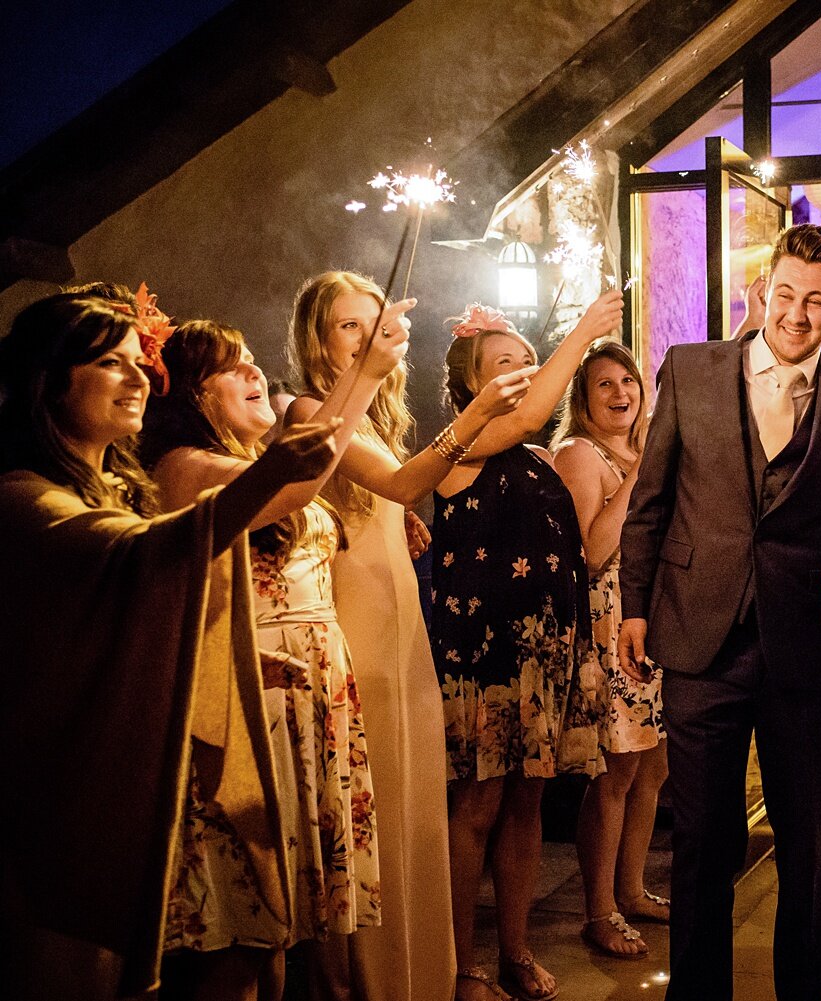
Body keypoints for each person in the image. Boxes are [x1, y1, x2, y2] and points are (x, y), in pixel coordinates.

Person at [0, 293, 339, 1001]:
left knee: (247, 948)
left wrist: (232, 656)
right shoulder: (22, 498)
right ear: (46, 377)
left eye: (138, 363)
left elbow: (178, 597)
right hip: (70, 788)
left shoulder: (119, 488)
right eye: (107, 362)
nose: (136, 379)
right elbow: (139, 560)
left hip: (165, 761)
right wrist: (266, 477)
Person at [617, 224, 821, 1001]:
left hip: (804, 645)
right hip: (697, 637)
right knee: (704, 837)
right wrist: (634, 606)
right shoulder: (692, 369)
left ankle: (805, 990)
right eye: (785, 295)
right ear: (759, 292)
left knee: (807, 838)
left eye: (817, 301)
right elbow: (652, 498)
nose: (797, 314)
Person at [140, 313, 410, 1000]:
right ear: (192, 393)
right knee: (243, 920)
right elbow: (292, 488)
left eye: (254, 358)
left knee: (286, 924)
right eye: (233, 366)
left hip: (310, 693)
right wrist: (366, 373)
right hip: (249, 699)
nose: (256, 372)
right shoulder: (188, 466)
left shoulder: (247, 456)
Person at [284, 272, 535, 1001]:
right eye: (348, 327)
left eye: (374, 323)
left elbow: (388, 496)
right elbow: (402, 482)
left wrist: (398, 521)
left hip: (402, 619)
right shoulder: (309, 408)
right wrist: (481, 409)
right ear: (317, 340)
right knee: (375, 807)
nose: (367, 340)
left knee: (414, 800)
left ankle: (424, 973)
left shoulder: (371, 421)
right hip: (359, 626)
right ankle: (380, 980)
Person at [427, 295, 623, 1001]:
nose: (520, 372)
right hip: (486, 657)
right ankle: (460, 960)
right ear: (468, 385)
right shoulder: (460, 445)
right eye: (502, 363)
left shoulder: (538, 456)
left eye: (524, 361)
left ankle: (515, 947)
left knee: (528, 805)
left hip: (547, 654)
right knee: (478, 803)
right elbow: (531, 411)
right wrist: (583, 331)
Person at [551, 340, 670, 960]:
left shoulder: (641, 449)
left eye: (628, 380)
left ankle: (633, 889)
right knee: (617, 769)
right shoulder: (579, 454)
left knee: (653, 766)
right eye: (604, 385)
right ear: (581, 397)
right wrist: (644, 475)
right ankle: (599, 910)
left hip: (657, 622)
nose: (621, 392)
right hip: (608, 621)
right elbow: (591, 551)